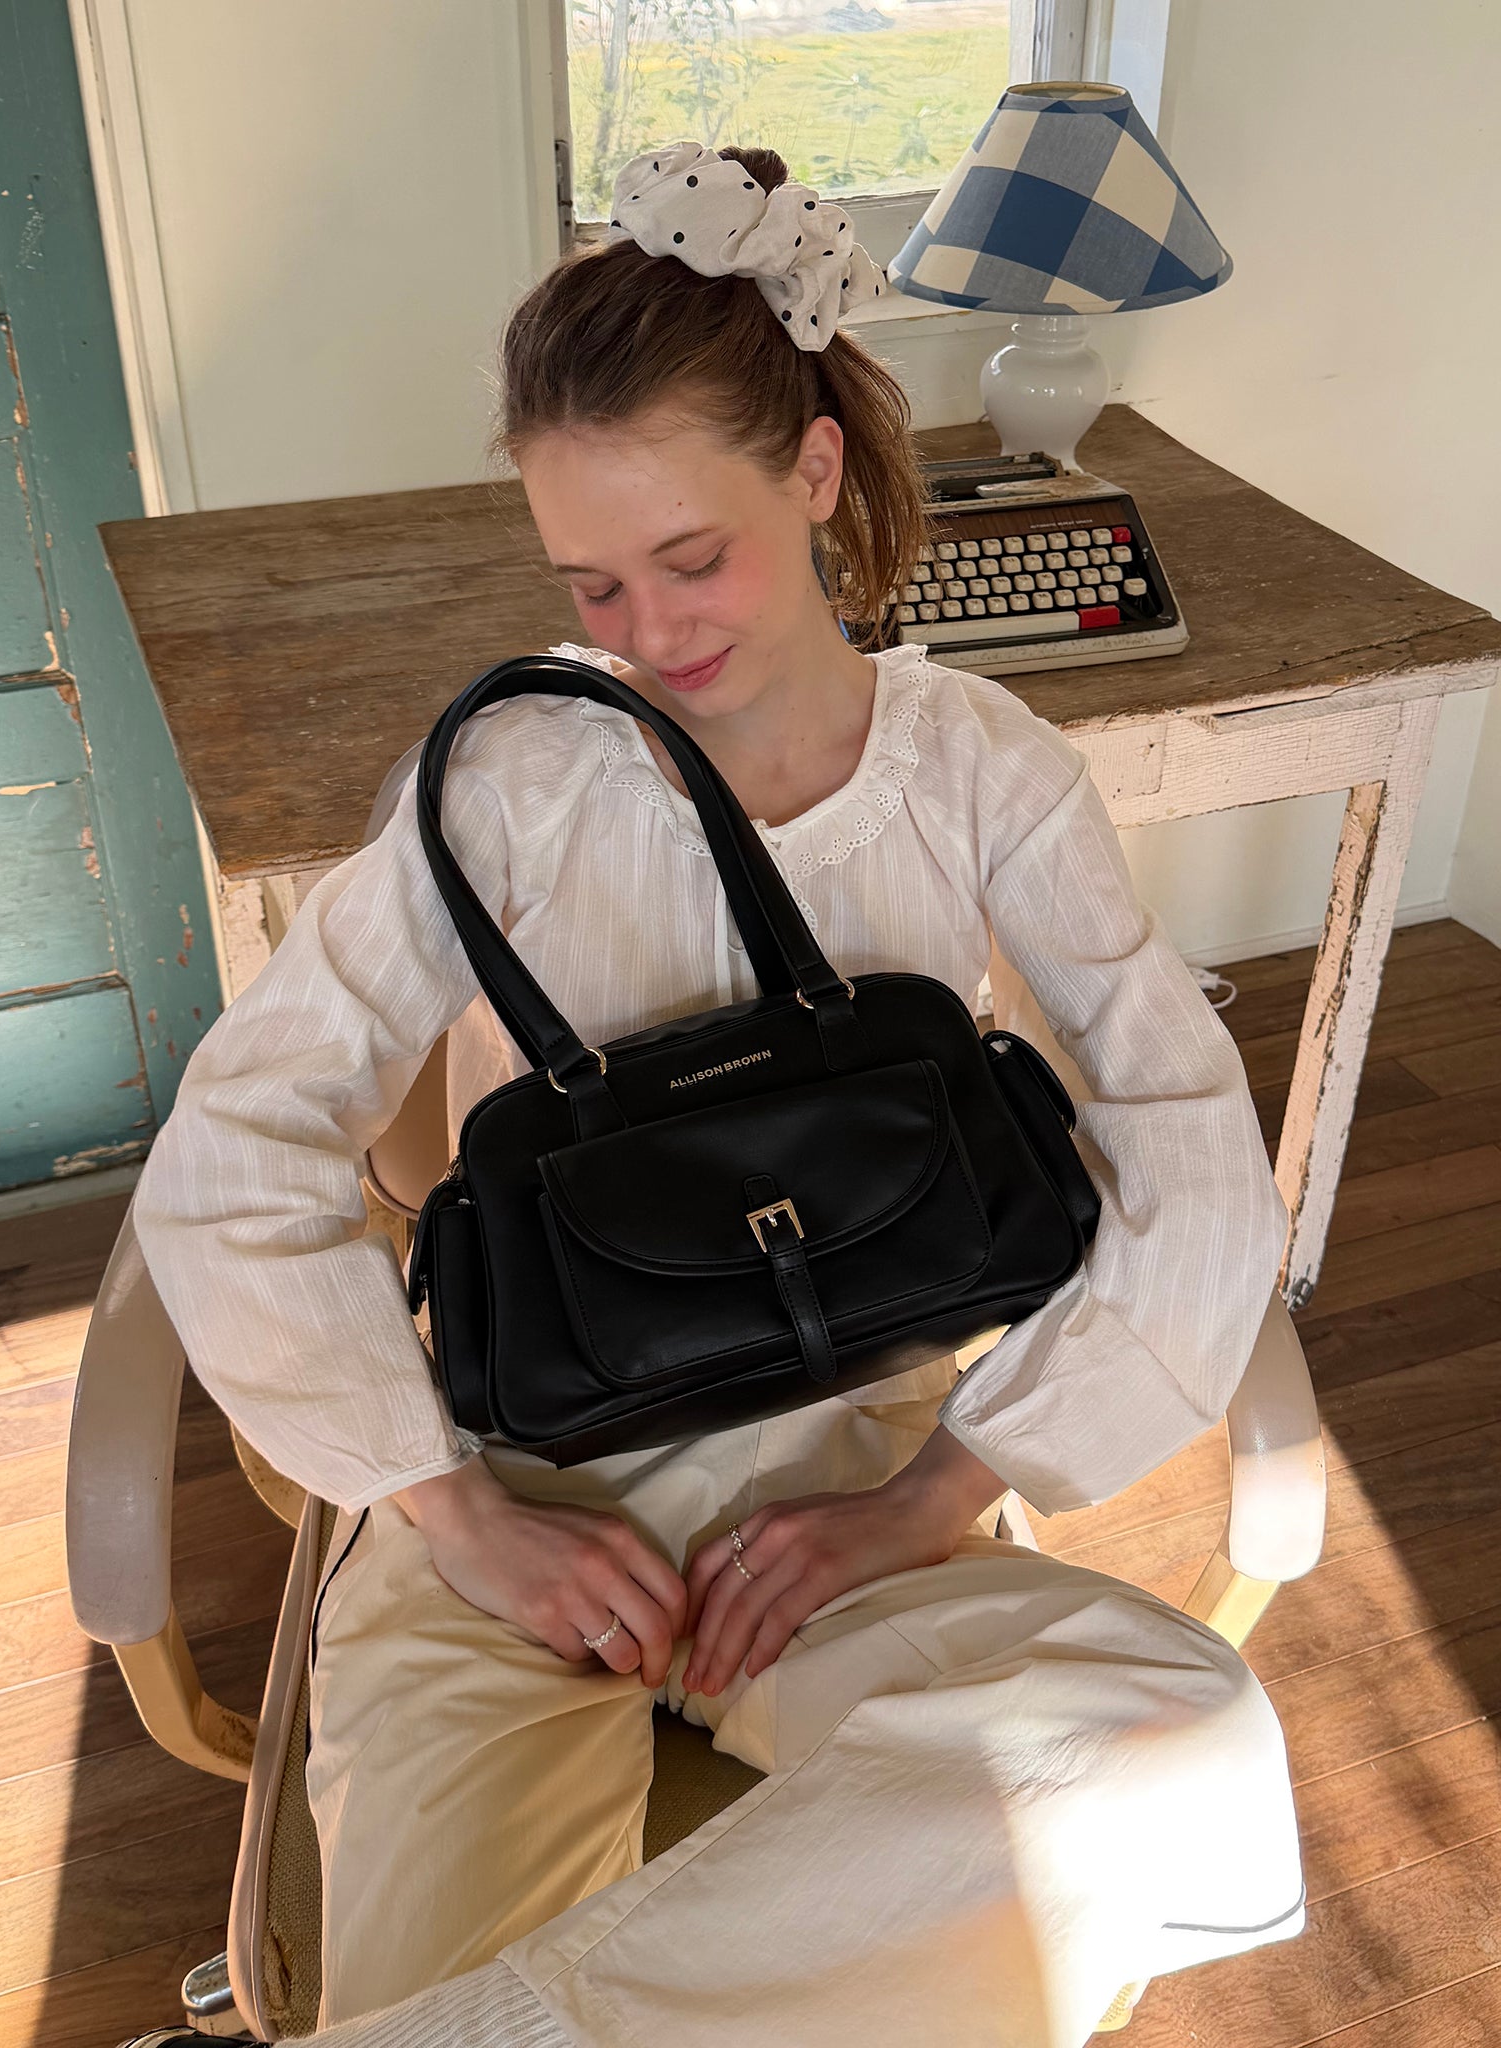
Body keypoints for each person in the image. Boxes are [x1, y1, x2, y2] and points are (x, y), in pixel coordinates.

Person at [132, 139, 1305, 2048]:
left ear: (816, 473)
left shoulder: (980, 772)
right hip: (528, 1504)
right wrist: (458, 1517)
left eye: (695, 558)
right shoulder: (517, 779)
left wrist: (933, 1499)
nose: (651, 631)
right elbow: (230, 1152)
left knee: (1190, 1738)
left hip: (851, 1496)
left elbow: (1195, 1150)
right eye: (593, 580)